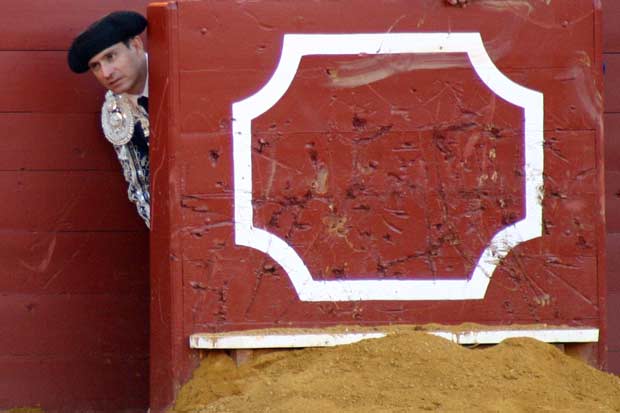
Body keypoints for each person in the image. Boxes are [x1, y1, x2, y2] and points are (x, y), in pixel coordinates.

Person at [67, 11, 151, 228]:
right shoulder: (115, 111)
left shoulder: (183, 75)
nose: (106, 73)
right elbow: (141, 188)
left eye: (111, 57)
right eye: (96, 66)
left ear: (136, 45)